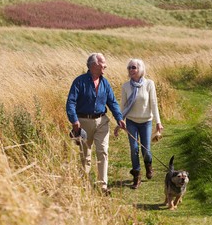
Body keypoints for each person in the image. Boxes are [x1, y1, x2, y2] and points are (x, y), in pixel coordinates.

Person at [66, 53, 126, 194]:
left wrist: (119, 118)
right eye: (103, 63)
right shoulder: (79, 82)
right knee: (85, 155)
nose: (105, 65)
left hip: (102, 121)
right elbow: (71, 102)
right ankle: (83, 184)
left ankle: (102, 186)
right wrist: (74, 121)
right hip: (83, 123)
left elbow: (112, 102)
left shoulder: (105, 83)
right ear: (94, 65)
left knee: (103, 152)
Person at [115, 58, 163, 189]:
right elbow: (122, 106)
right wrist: (119, 122)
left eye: (133, 67)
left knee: (146, 149)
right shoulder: (125, 86)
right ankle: (136, 177)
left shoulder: (149, 84)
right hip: (131, 122)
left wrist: (158, 122)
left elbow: (153, 104)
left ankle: (149, 165)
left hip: (146, 121)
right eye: (129, 68)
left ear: (140, 69)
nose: (131, 70)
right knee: (134, 149)